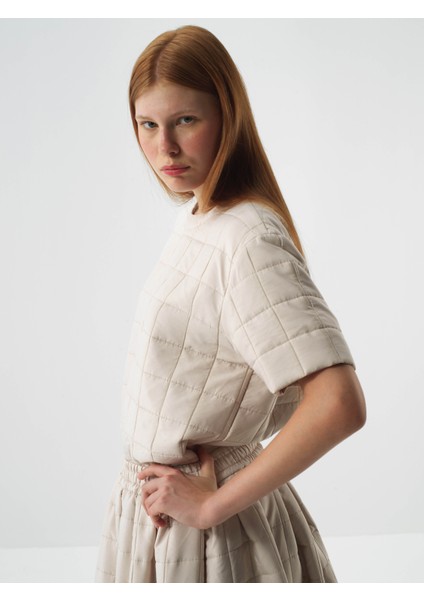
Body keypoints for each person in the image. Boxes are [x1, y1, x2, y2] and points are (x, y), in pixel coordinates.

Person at [95, 24, 366, 583]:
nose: (165, 148)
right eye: (148, 124)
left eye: (185, 121)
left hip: (208, 535)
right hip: (167, 519)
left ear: (228, 117)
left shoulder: (246, 236)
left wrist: (212, 505)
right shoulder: (201, 217)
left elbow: (339, 402)